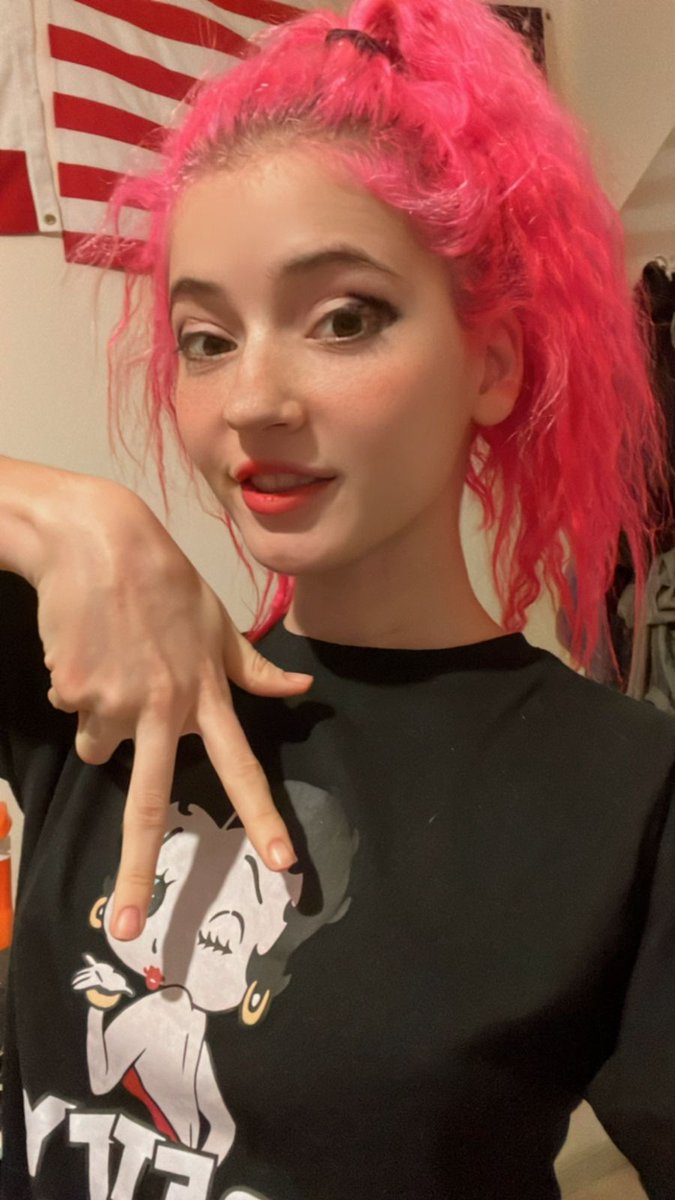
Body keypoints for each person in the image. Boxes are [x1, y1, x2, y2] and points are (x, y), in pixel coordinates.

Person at [2, 0, 675, 1196]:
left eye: (343, 318)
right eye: (206, 338)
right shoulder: (102, 678)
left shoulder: (623, 795)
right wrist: (58, 512)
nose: (253, 400)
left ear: (493, 362)